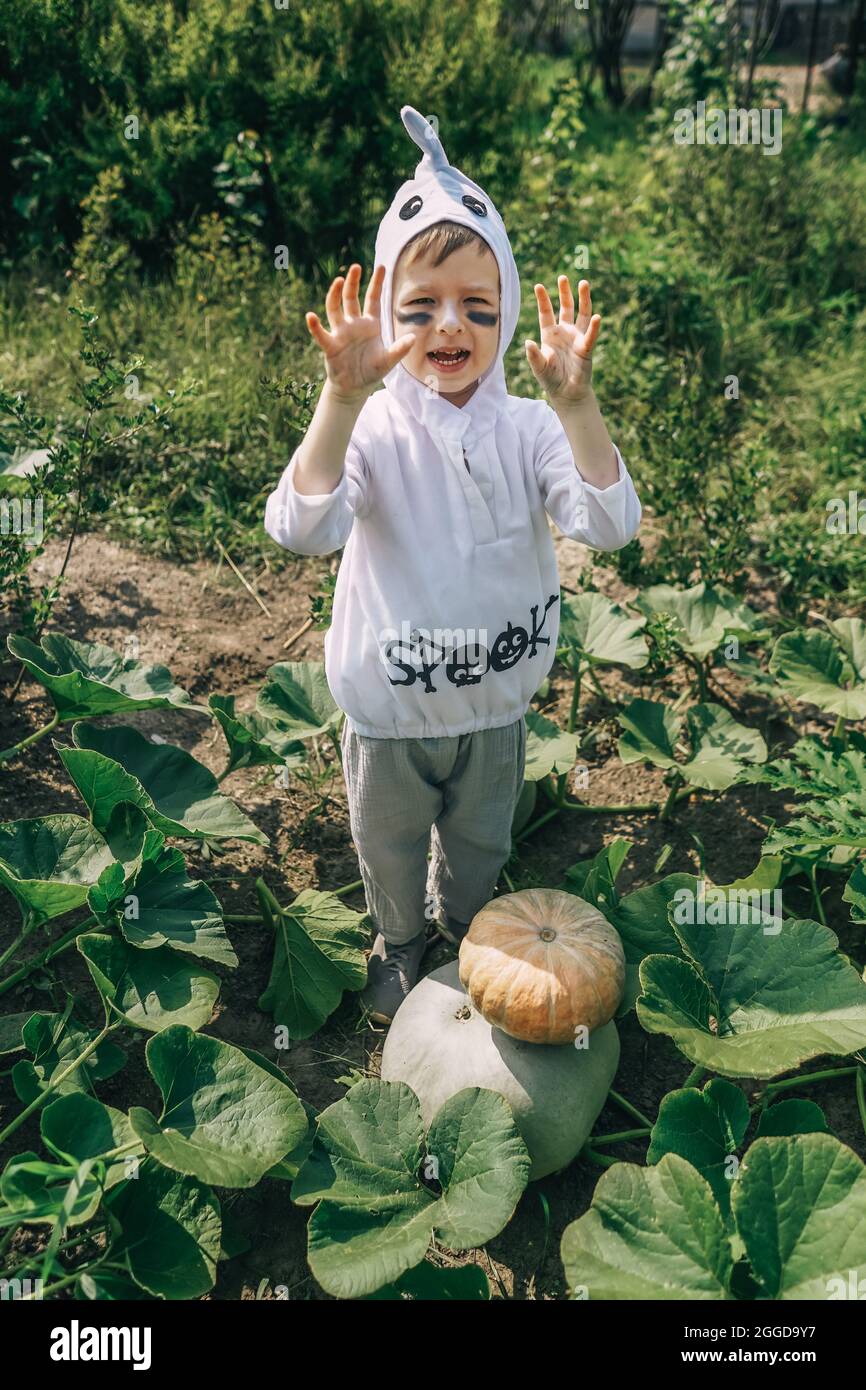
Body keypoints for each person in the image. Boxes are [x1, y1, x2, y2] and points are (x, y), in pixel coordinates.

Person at [264, 106, 641, 1024]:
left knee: (479, 842)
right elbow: (300, 527)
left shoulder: (527, 427)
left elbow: (610, 523)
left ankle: (469, 930)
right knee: (387, 848)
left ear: (507, 312)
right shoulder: (375, 429)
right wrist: (338, 399)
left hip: (495, 707)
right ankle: (401, 943)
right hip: (389, 715)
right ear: (388, 314)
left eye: (479, 305)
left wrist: (579, 406)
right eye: (421, 305)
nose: (451, 326)